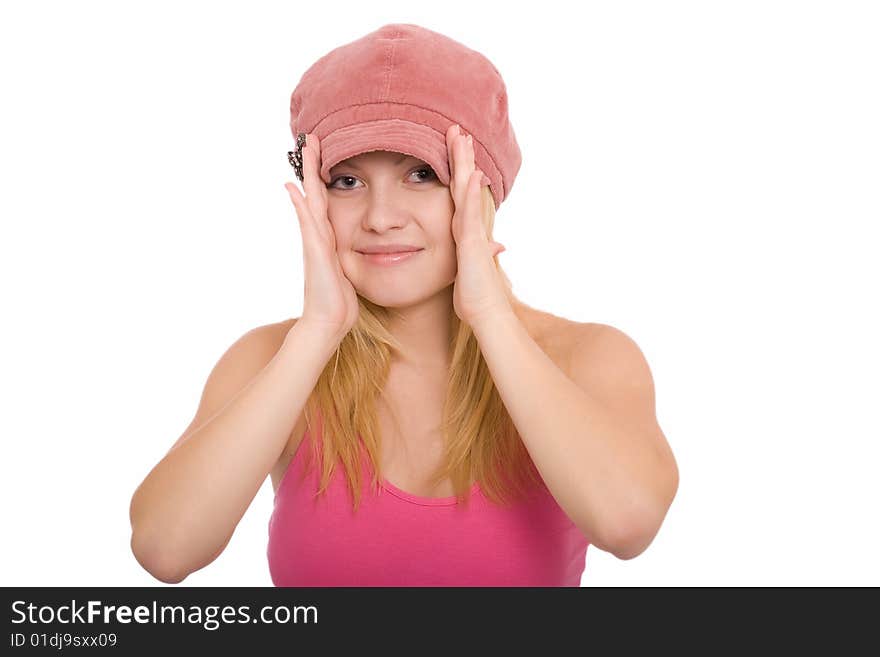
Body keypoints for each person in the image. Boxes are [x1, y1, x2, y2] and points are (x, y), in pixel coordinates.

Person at [129, 23, 679, 586]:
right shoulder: (272, 359)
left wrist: (490, 316)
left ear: (481, 191)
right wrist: (318, 332)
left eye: (422, 174)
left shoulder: (586, 357)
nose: (380, 217)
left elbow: (627, 523)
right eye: (346, 181)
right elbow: (164, 549)